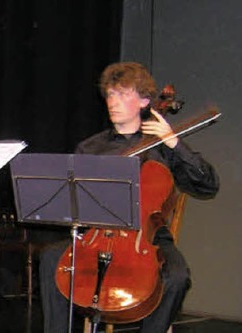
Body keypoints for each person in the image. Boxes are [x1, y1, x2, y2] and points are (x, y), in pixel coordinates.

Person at [38, 62, 220, 333]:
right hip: (96, 234)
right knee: (52, 258)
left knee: (178, 276)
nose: (114, 102)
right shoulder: (90, 147)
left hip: (148, 238)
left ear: (145, 101)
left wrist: (174, 142)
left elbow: (208, 185)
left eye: (123, 94)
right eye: (111, 94)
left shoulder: (163, 146)